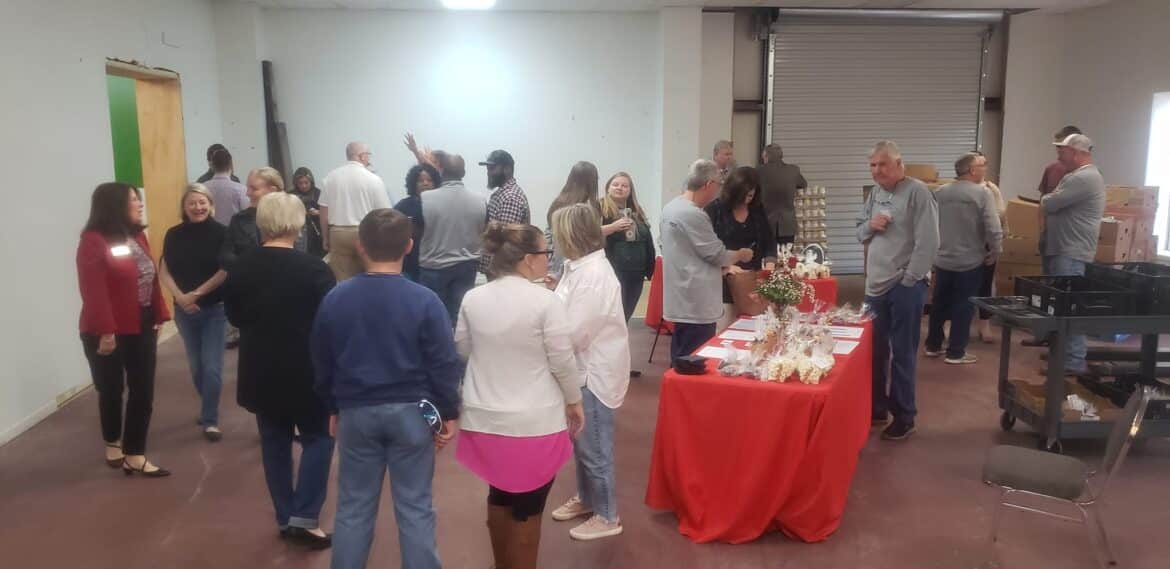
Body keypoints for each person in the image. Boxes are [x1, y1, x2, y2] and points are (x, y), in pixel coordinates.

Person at [312, 209, 461, 569]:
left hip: (357, 411)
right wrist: (447, 412)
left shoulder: (336, 299)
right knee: (415, 505)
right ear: (409, 246)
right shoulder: (426, 300)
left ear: (360, 246)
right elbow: (443, 362)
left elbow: (322, 358)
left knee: (354, 506)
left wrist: (332, 405)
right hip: (413, 413)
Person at [454, 222, 585, 569]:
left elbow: (463, 349)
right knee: (530, 504)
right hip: (533, 422)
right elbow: (562, 361)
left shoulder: (473, 298)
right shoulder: (546, 302)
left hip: (483, 419)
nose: (548, 259)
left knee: (499, 494)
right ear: (528, 259)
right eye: (546, 253)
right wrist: (574, 401)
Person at [223, 192, 337, 549]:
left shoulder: (241, 267)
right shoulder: (315, 269)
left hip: (261, 368)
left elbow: (234, 316)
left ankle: (286, 516)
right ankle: (305, 516)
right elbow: (329, 322)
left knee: (274, 444)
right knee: (319, 438)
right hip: (307, 369)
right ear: (298, 223)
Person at [77, 182, 171, 476]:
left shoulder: (138, 235)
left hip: (141, 324)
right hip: (106, 330)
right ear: (115, 205)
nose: (140, 204)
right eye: (134, 199)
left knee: (143, 390)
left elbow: (150, 278)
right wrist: (106, 332)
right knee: (111, 389)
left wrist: (159, 315)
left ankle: (135, 453)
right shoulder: (93, 241)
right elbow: (94, 291)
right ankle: (112, 441)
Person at [548, 204, 630, 541]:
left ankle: (608, 515)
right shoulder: (577, 268)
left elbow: (575, 334)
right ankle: (587, 498)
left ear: (571, 235)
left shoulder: (593, 275)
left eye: (557, 233)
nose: (554, 240)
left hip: (592, 373)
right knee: (582, 444)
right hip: (580, 369)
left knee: (594, 447)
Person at [855, 140, 939, 441]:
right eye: (873, 165)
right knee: (874, 351)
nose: (877, 170)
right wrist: (871, 225)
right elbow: (859, 231)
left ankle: (904, 416)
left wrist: (910, 279)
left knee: (902, 352)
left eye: (883, 164)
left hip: (904, 286)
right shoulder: (875, 194)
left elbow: (929, 241)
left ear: (899, 164)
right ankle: (877, 408)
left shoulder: (918, 193)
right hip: (875, 287)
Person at [660, 160, 753, 365]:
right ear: (709, 184)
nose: (718, 191)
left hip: (681, 292)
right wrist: (740, 254)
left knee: (681, 354)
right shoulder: (693, 214)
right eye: (719, 184)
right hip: (696, 299)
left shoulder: (671, 207)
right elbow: (716, 254)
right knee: (694, 358)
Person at [159, 184, 228, 442]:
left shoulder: (222, 233)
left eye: (202, 202)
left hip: (215, 310)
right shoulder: (173, 234)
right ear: (184, 207)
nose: (198, 207)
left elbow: (225, 271)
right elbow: (164, 269)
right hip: (184, 312)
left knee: (212, 368)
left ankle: (210, 420)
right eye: (192, 203)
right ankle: (208, 404)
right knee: (197, 368)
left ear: (210, 205)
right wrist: (180, 296)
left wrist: (196, 294)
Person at [923, 153, 1003, 366]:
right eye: (982, 165)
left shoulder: (939, 193)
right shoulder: (983, 193)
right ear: (972, 170)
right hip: (970, 260)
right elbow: (993, 226)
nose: (985, 168)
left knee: (939, 303)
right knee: (963, 305)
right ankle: (956, 352)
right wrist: (996, 250)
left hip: (943, 259)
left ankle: (933, 345)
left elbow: (928, 225)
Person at [1038, 133, 1105, 375]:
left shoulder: (1084, 178)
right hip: (1063, 250)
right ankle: (1062, 356)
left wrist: (1049, 199)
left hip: (1071, 253)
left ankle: (1073, 363)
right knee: (1060, 307)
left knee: (1069, 309)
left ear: (1076, 153)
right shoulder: (1074, 176)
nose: (1058, 155)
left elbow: (1048, 203)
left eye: (1062, 150)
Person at [419, 153, 486, 324]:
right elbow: (483, 231)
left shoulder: (425, 199)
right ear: (463, 173)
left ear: (440, 169)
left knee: (432, 318)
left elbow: (418, 232)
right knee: (459, 317)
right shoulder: (480, 200)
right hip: (467, 267)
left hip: (433, 267)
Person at [704, 167, 778, 314]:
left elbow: (769, 240)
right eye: (742, 196)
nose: (745, 200)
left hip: (752, 281)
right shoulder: (714, 210)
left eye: (750, 196)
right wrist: (726, 268)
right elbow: (705, 249)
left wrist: (769, 266)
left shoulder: (757, 210)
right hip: (722, 284)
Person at [320, 142, 393, 281]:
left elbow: (324, 211)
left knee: (341, 279)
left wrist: (325, 237)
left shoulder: (330, 178)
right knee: (369, 276)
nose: (369, 158)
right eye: (368, 155)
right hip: (366, 233)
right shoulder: (374, 179)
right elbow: (384, 212)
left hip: (338, 234)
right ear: (362, 156)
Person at [220, 167, 306, 273]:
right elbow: (225, 258)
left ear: (272, 191)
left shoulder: (292, 216)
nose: (247, 193)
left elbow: (300, 253)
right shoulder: (239, 219)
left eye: (254, 189)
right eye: (247, 188)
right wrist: (252, 264)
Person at [599, 171, 655, 323]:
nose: (619, 188)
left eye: (624, 186)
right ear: (608, 188)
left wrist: (651, 269)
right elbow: (589, 234)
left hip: (636, 273)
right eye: (615, 184)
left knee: (625, 317)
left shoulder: (636, 211)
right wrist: (613, 227)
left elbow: (647, 240)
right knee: (612, 319)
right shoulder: (599, 209)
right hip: (612, 272)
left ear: (630, 191)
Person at [479, 150, 531, 275]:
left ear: (507, 169)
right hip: (499, 270)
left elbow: (504, 241)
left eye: (492, 168)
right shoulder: (502, 194)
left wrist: (495, 270)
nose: (488, 173)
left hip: (502, 271)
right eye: (487, 169)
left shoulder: (510, 198)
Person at [546, 161, 601, 278]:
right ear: (592, 182)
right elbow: (589, 240)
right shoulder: (588, 208)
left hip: (556, 264)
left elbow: (550, 236)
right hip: (578, 266)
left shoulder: (558, 202)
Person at [974, 152, 1007, 343]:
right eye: (978, 165)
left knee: (984, 285)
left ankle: (984, 325)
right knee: (954, 287)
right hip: (962, 244)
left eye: (984, 164)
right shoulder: (956, 189)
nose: (982, 168)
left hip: (985, 243)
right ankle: (949, 324)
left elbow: (1001, 213)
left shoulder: (991, 189)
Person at [394, 163, 441, 281]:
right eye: (420, 180)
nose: (425, 183)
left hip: (436, 263)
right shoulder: (403, 206)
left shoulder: (442, 205)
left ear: (436, 183)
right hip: (410, 263)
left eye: (429, 180)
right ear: (413, 183)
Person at [757, 143, 808, 246]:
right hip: (787, 225)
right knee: (786, 254)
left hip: (766, 223)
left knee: (767, 254)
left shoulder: (759, 171)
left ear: (767, 157)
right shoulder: (793, 170)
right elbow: (803, 184)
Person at [203, 148, 249, 226]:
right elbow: (247, 215)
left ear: (212, 166)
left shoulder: (203, 188)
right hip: (234, 232)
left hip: (209, 231)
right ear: (230, 166)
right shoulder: (241, 189)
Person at [291, 167, 326, 258]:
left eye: (306, 182)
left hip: (317, 232)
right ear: (296, 183)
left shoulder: (318, 193)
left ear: (311, 182)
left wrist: (318, 212)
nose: (304, 186)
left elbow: (327, 212)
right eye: (300, 183)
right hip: (298, 232)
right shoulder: (291, 196)